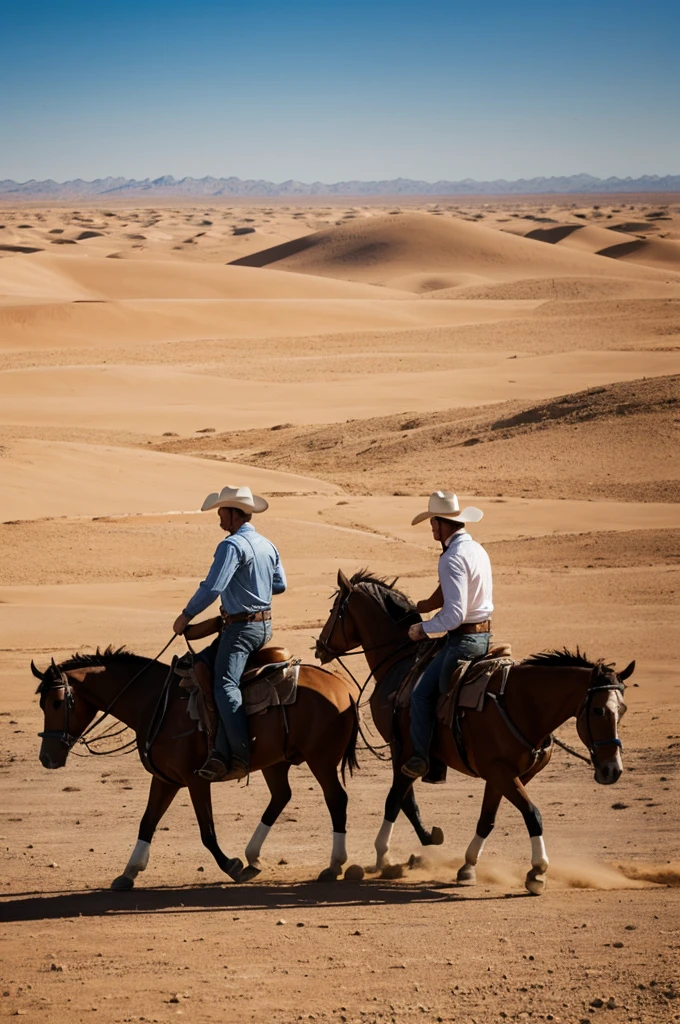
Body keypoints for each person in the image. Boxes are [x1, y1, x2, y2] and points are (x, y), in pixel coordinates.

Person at [173, 485, 287, 782]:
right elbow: (280, 585)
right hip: (264, 626)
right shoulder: (267, 544)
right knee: (203, 666)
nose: (219, 516)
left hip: (241, 629)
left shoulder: (231, 546)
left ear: (235, 514)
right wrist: (253, 584)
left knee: (224, 685)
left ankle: (239, 753)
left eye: (221, 511)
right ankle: (219, 745)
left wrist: (186, 615)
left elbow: (212, 588)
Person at [401, 490, 493, 780]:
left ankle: (424, 759)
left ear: (443, 524)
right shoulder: (477, 550)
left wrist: (423, 628)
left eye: (433, 523)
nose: (431, 528)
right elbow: (456, 594)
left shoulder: (451, 557)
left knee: (421, 695)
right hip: (484, 637)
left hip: (462, 642)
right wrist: (426, 605)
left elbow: (454, 615)